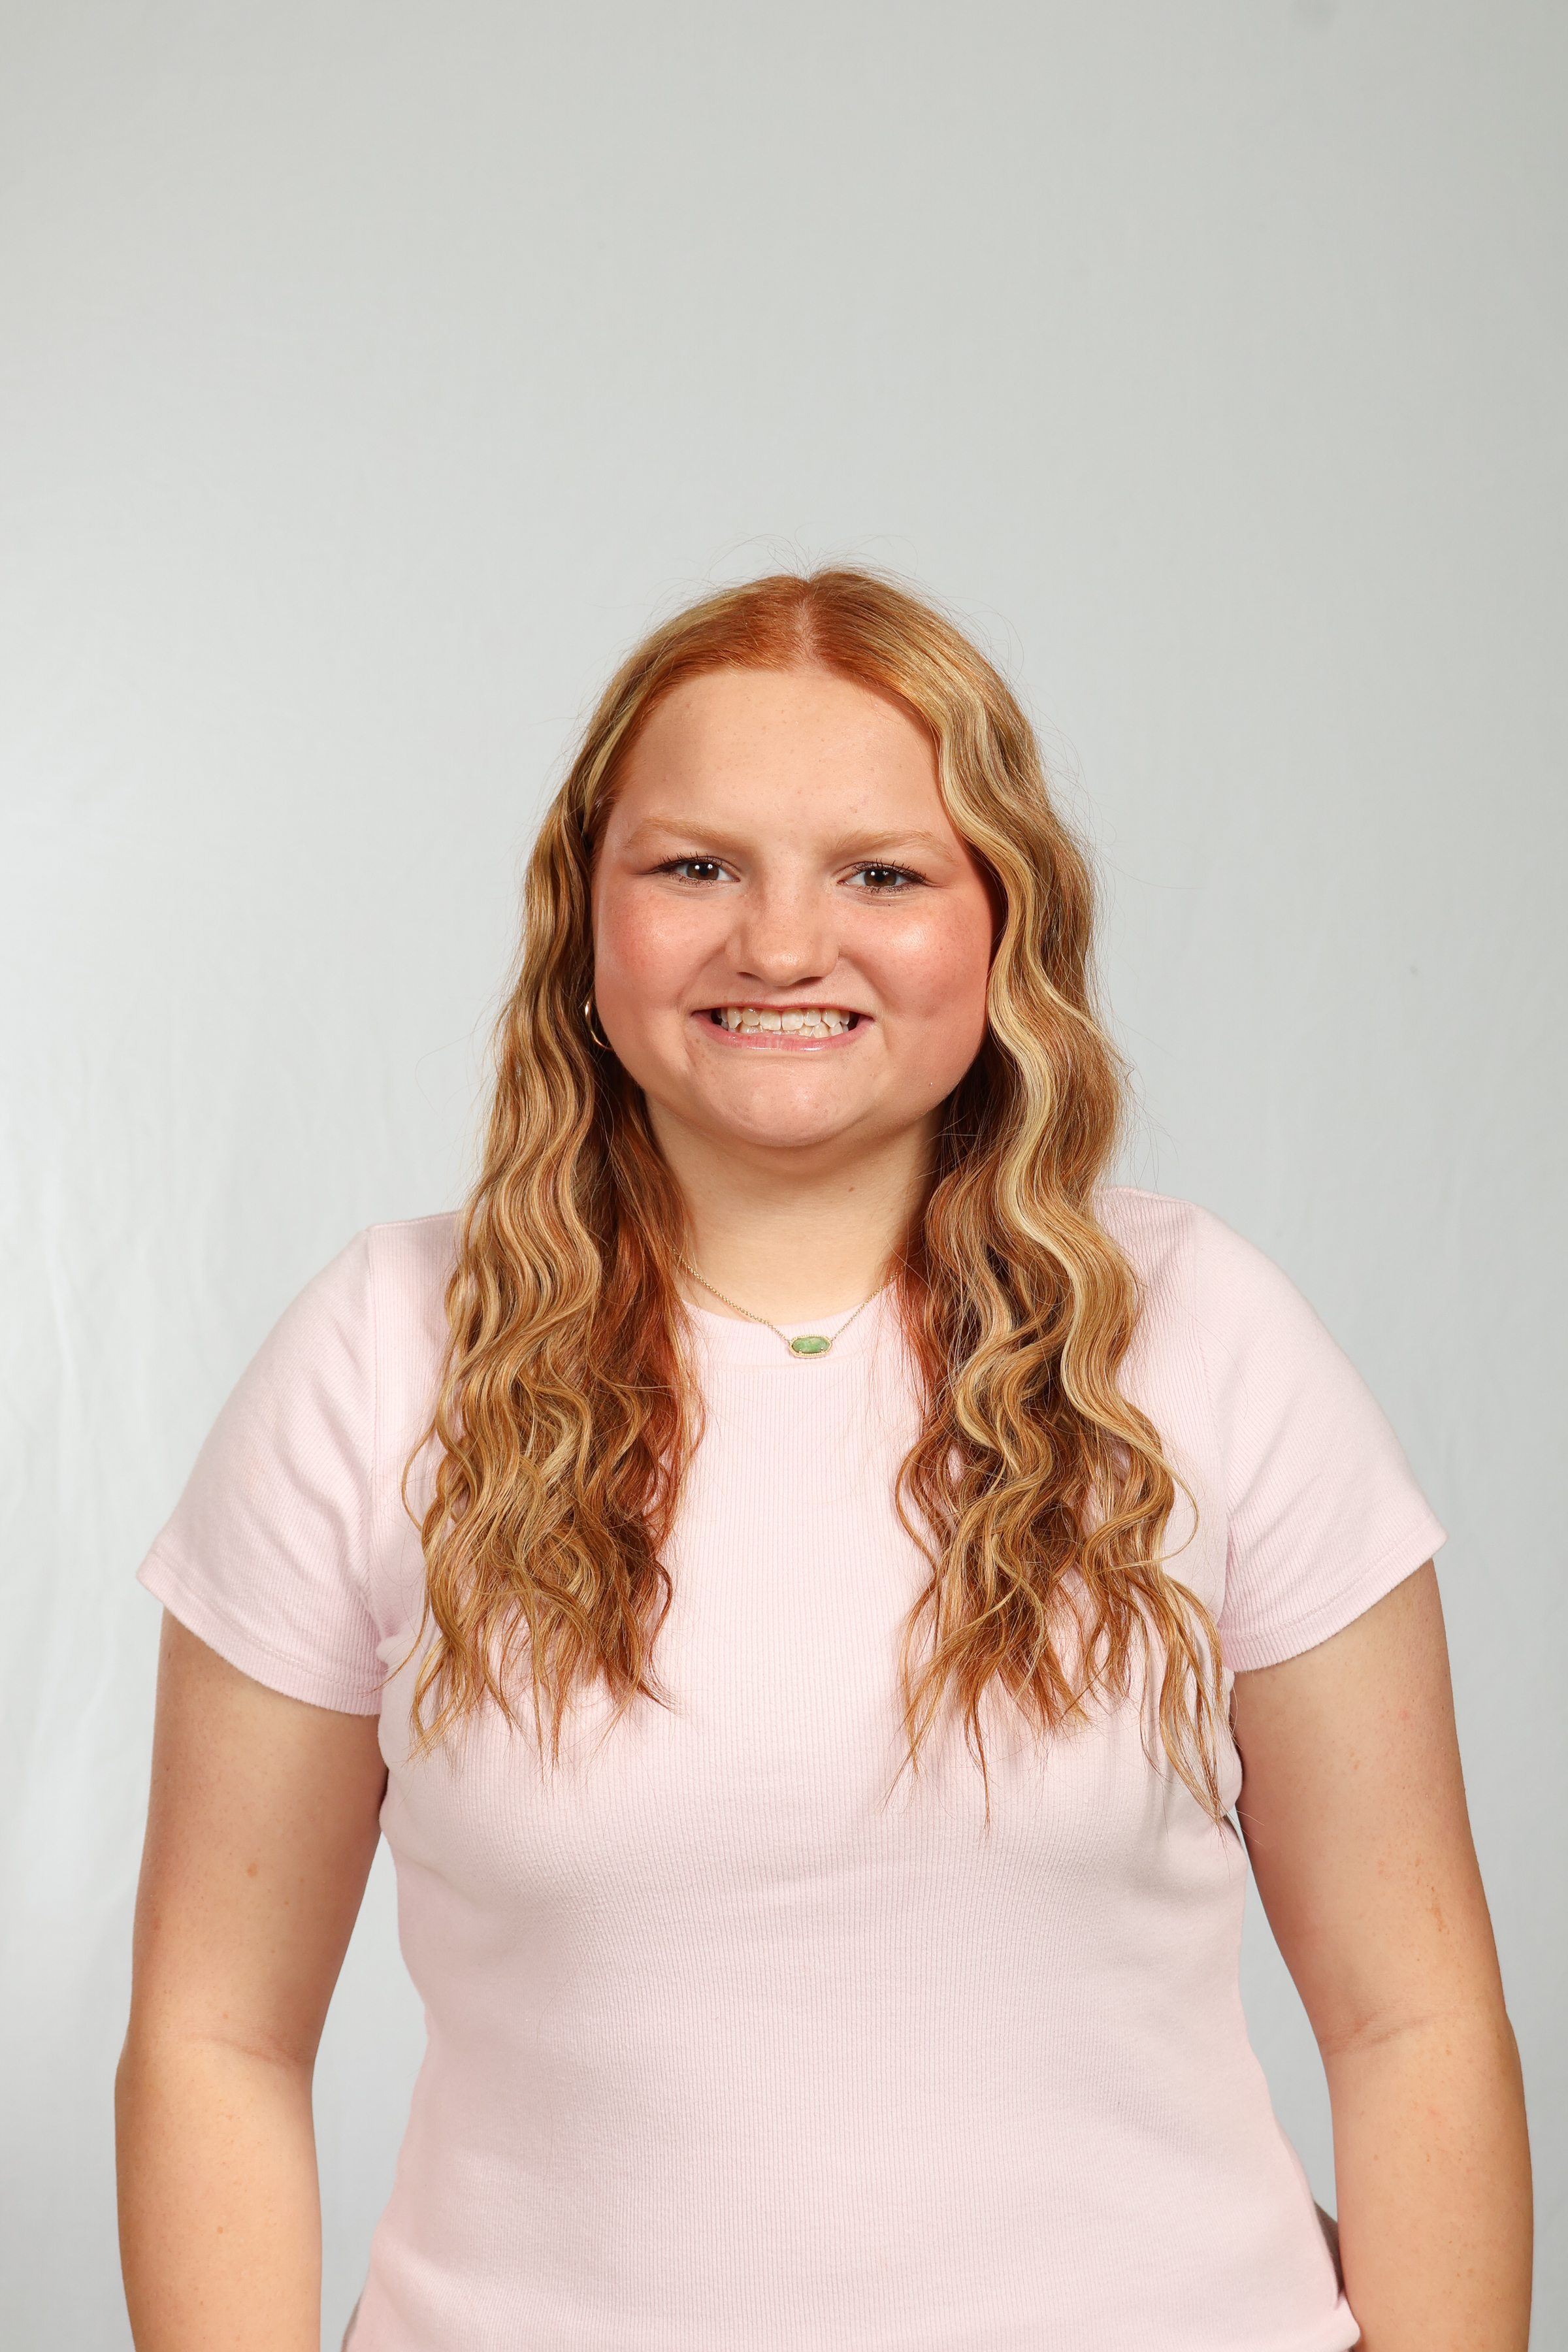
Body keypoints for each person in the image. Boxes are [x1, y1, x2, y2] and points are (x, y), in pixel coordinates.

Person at [114, 568, 1531, 2352]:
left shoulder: (1207, 1345)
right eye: (696, 867)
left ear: (1005, 920)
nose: (782, 947)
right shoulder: (379, 1357)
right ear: (586, 918)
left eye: (882, 874)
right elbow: (218, 2037)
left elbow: (1413, 2023)